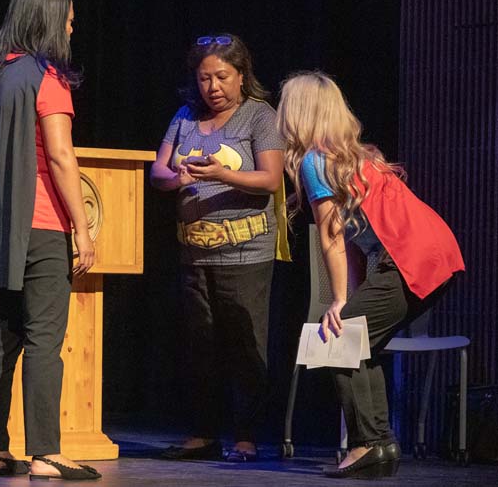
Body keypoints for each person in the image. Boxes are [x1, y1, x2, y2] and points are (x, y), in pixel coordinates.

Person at [277, 71, 464, 479]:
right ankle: (380, 446)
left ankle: (368, 444)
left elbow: (330, 234)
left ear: (298, 113)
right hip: (438, 256)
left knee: (340, 340)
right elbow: (361, 242)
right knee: (363, 344)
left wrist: (340, 302)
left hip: (408, 259)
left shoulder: (315, 160)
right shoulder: (358, 158)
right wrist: (352, 297)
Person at [0, 0, 101, 481]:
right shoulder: (47, 76)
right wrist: (82, 228)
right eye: (68, 16)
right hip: (41, 226)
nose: (72, 24)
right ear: (47, 20)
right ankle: (46, 452)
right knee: (44, 339)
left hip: (2, 231)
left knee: (2, 334)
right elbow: (60, 156)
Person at [151, 34, 290, 462]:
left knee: (245, 345)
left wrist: (221, 174)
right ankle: (203, 433)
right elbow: (157, 170)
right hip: (195, 252)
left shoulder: (259, 117)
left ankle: (245, 436)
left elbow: (270, 178)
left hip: (245, 252)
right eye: (205, 77)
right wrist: (178, 180)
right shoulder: (185, 116)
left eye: (222, 76)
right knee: (200, 346)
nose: (213, 86)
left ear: (242, 76)